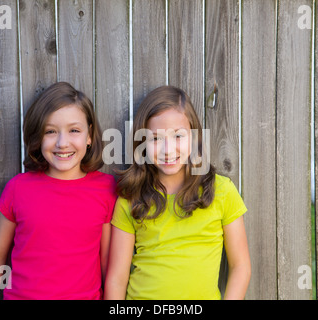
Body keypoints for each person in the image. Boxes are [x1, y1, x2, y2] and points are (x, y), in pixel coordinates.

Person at [104, 85, 251, 300]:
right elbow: (117, 278)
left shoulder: (221, 191)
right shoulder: (131, 197)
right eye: (155, 139)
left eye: (178, 136)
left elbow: (241, 266)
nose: (168, 149)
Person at [0, 82, 117, 300]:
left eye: (74, 130)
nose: (62, 142)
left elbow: (109, 265)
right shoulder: (18, 189)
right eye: (50, 131)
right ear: (38, 137)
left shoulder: (106, 190)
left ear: (89, 136)